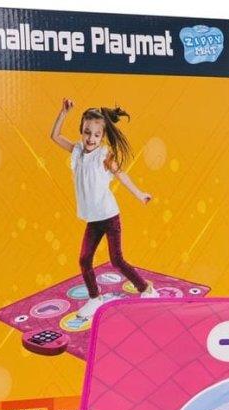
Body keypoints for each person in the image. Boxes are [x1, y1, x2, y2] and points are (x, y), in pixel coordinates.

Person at [49, 99, 156, 319]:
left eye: (97, 135)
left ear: (102, 136)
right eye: (87, 133)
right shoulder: (77, 151)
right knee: (84, 260)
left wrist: (139, 194)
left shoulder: (103, 155)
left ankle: (147, 289)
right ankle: (95, 298)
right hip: (93, 220)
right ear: (81, 131)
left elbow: (121, 175)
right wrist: (63, 113)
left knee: (116, 260)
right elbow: (55, 136)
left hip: (109, 217)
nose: (91, 139)